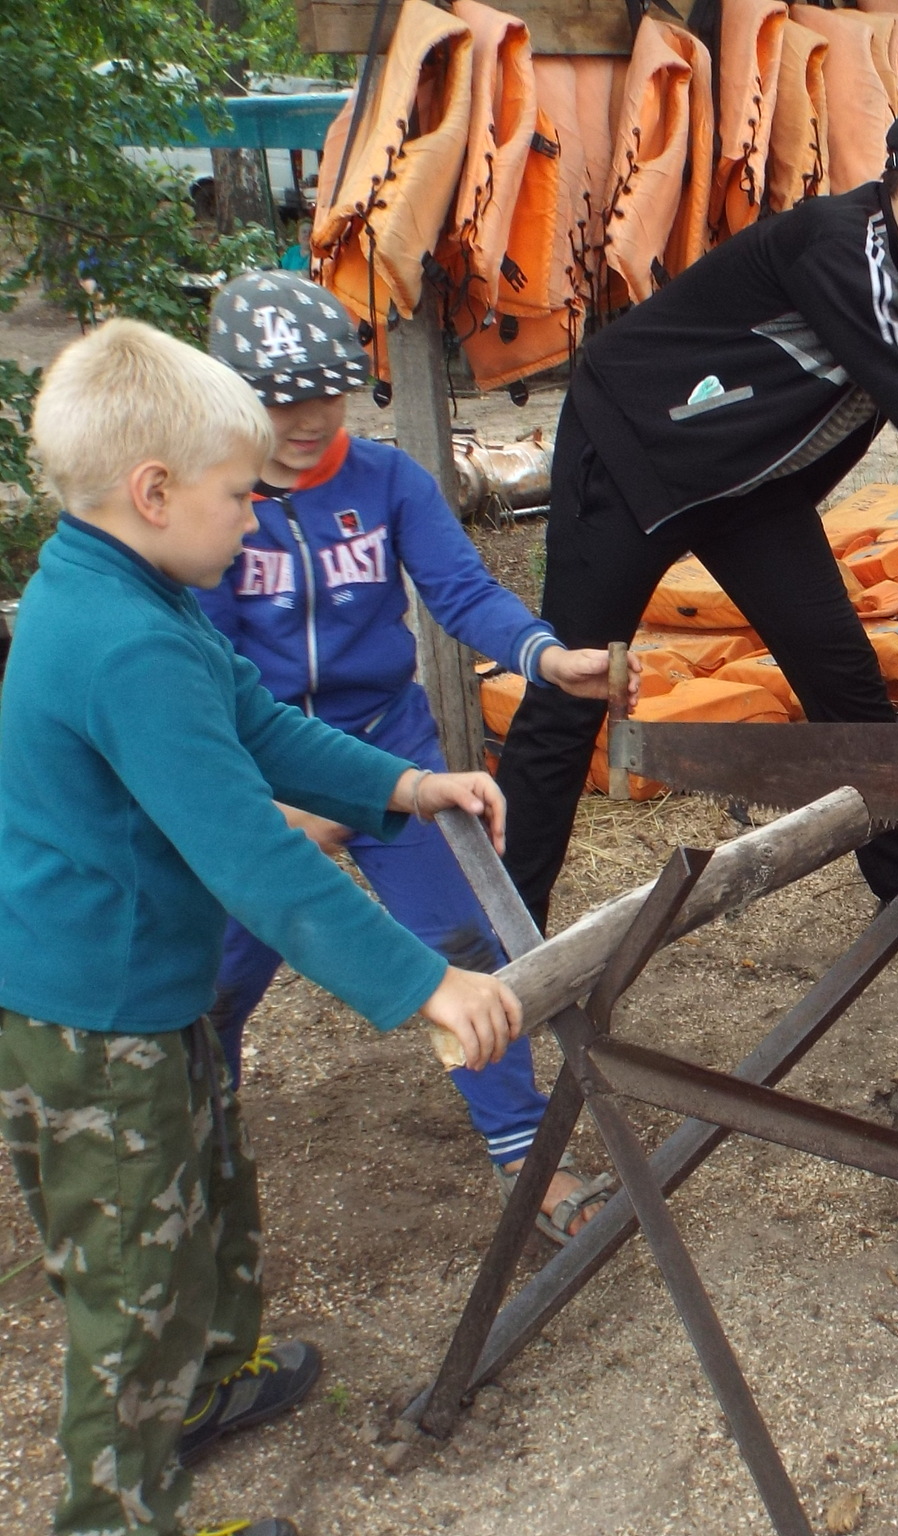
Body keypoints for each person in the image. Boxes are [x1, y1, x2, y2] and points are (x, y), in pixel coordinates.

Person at [0, 319, 521, 1536]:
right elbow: (245, 850)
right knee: (130, 1273)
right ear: (154, 489)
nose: (256, 517)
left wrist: (404, 787)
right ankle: (118, 1516)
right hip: (92, 1014)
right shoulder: (123, 642)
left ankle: (212, 1378)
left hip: (150, 986)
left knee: (212, 1185)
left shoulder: (138, 588)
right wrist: (422, 986)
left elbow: (265, 728)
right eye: (242, 495)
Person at [495, 97, 898, 939]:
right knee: (573, 695)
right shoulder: (840, 244)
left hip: (751, 491)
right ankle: (507, 935)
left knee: (843, 679)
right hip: (634, 457)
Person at [198, 270, 621, 1245]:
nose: (306, 417)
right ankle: (195, 1124)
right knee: (213, 971)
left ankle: (526, 1148)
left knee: (466, 948)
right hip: (262, 769)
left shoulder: (387, 481)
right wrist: (296, 810)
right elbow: (211, 666)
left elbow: (463, 592)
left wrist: (548, 659)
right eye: (276, 397)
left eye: (326, 389)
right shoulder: (213, 501)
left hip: (389, 748)